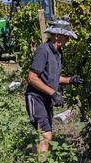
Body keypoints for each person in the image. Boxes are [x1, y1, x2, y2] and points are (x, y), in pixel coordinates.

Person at [25, 19, 82, 154]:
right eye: (66, 36)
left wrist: (70, 80)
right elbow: (31, 78)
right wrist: (53, 93)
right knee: (46, 135)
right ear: (57, 36)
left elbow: (52, 78)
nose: (68, 39)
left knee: (44, 135)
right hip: (36, 98)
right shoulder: (43, 51)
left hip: (46, 99)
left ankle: (31, 162)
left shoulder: (58, 53)